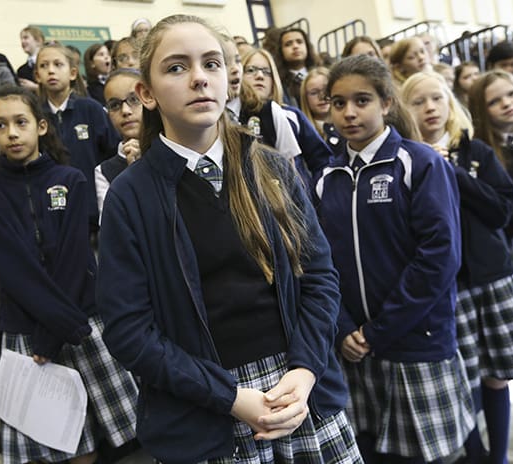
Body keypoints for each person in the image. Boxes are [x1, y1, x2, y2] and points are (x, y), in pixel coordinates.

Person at [96, 14, 362, 464]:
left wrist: (304, 371)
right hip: (204, 404)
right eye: (177, 68)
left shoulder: (272, 168)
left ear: (229, 78)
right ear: (147, 93)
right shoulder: (130, 194)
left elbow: (319, 277)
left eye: (212, 64)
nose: (199, 78)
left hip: (298, 393)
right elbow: (129, 330)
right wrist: (232, 397)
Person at [314, 55, 475, 463]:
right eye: (338, 102)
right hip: (354, 347)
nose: (348, 112)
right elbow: (318, 265)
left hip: (414, 339)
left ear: (387, 102)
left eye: (362, 100)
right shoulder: (325, 178)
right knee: (369, 450)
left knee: (429, 456)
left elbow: (439, 258)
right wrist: (345, 328)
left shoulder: (419, 163)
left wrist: (378, 330)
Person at [0, 86, 137, 464]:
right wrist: (46, 337)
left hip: (80, 316)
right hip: (29, 326)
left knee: (119, 425)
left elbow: (74, 259)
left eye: (20, 122)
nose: (12, 133)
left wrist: (55, 334)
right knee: (66, 441)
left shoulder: (71, 179)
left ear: (41, 126)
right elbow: (15, 269)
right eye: (1, 125)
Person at [403, 70, 513, 464]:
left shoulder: (475, 151)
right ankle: (474, 452)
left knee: (498, 375)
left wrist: (455, 173)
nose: (430, 108)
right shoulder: (405, 160)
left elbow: (500, 210)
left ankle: (496, 457)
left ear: (450, 103)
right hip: (449, 286)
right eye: (419, 101)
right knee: (463, 378)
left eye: (437, 98)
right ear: (403, 110)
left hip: (493, 279)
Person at [469, 69, 513, 440]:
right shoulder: (482, 154)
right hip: (510, 252)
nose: (507, 103)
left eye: (511, 94)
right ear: (482, 111)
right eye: (495, 101)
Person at [35, 42, 119, 231]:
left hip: (92, 210)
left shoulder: (91, 109)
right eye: (44, 65)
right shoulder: (34, 115)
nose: (50, 71)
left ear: (73, 73)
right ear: (37, 76)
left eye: (58, 64)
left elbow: (112, 155)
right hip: (50, 212)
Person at [238, 47, 330, 177]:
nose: (259, 76)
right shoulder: (232, 117)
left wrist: (314, 191)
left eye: (266, 71)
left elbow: (322, 161)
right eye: (251, 70)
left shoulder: (291, 115)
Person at [95, 68, 143, 220]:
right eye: (115, 105)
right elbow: (114, 227)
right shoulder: (104, 171)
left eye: (134, 100)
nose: (126, 111)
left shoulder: (172, 152)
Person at [276, 28, 320, 107]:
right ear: (281, 51)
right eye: (288, 44)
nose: (295, 46)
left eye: (299, 42)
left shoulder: (321, 74)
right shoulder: (279, 84)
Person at [17, 26, 44, 90]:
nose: (22, 41)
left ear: (38, 41)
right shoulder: (21, 70)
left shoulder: (47, 65)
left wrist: (35, 87)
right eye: (21, 39)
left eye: (26, 38)